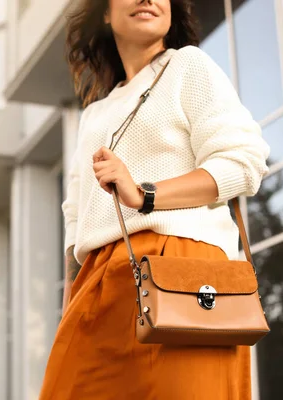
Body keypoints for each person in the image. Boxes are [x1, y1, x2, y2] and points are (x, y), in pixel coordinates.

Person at [39, 0, 270, 399]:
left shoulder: (188, 67)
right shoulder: (93, 114)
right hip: (99, 281)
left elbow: (243, 162)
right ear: (106, 13)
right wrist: (70, 303)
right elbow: (75, 217)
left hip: (182, 272)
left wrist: (145, 194)